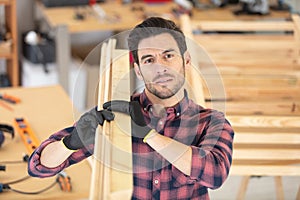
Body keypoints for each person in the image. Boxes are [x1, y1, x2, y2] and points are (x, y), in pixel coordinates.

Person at [28, 17, 234, 199]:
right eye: (149, 60)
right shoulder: (118, 115)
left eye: (168, 56)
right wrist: (71, 143)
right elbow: (39, 167)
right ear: (137, 70)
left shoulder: (212, 122)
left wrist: (149, 135)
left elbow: (215, 174)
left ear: (186, 61)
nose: (160, 67)